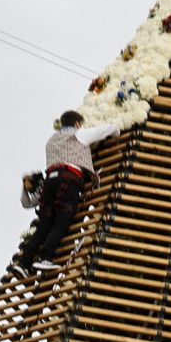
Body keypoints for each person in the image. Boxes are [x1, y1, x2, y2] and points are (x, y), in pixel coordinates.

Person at [17, 111, 117, 273]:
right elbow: (110, 129)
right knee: (62, 221)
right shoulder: (79, 134)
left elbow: (27, 203)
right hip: (68, 179)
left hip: (50, 181)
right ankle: (45, 258)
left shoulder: (51, 141)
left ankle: (23, 264)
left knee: (44, 225)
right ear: (77, 123)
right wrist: (116, 132)